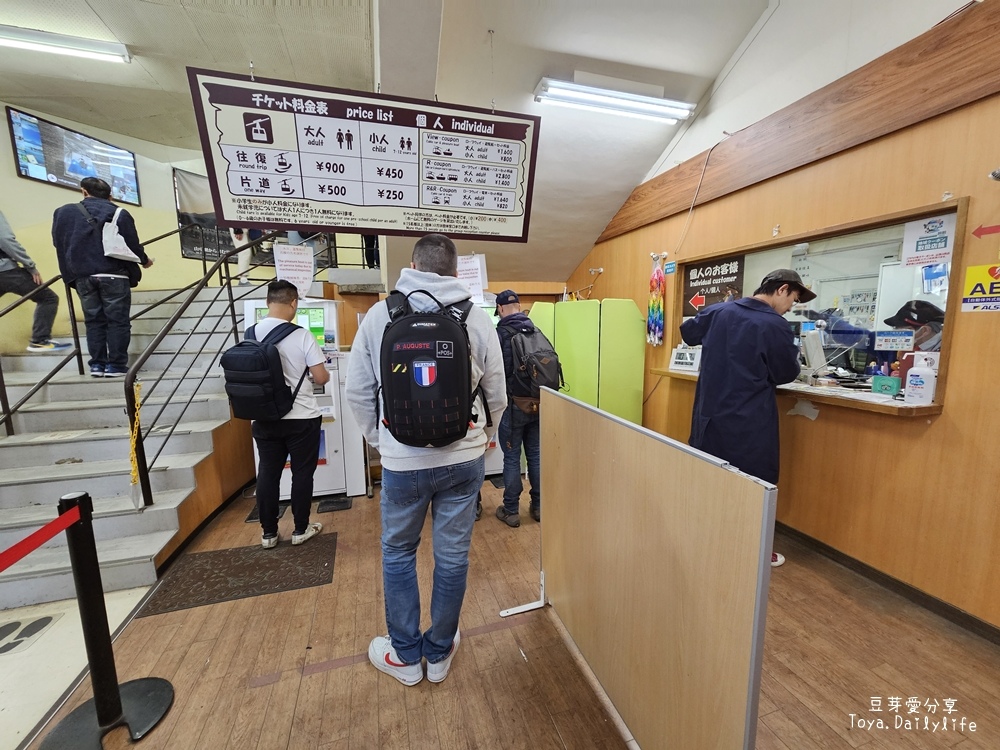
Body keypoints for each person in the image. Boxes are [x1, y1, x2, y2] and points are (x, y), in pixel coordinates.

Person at [345, 233, 506, 686]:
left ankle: (404, 655)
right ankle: (438, 654)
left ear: (412, 265)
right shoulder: (476, 318)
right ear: (455, 271)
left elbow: (357, 390)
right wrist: (484, 436)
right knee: (452, 557)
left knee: (398, 553)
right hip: (464, 458)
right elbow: (497, 390)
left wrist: (383, 441)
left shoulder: (381, 315)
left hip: (402, 462)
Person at [679, 269, 816, 568]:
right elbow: (785, 373)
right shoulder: (774, 326)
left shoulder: (718, 311)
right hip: (748, 421)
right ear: (782, 290)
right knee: (754, 486)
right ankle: (753, 551)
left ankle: (704, 540)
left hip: (708, 416)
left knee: (709, 477)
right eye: (793, 298)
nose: (791, 306)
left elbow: (687, 334)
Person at [250, 280, 329, 549]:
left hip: (263, 417)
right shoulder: (302, 335)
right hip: (301, 417)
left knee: (268, 473)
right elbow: (320, 376)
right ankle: (300, 529)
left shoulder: (250, 334)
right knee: (302, 473)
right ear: (294, 303)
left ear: (267, 302)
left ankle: (268, 533)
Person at [51, 177, 153, 377]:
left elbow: (58, 244)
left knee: (94, 321)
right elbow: (131, 243)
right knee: (118, 321)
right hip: (114, 273)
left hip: (83, 275)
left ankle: (97, 365)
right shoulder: (118, 212)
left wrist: (70, 273)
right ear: (110, 196)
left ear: (84, 192)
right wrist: (144, 260)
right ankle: (115, 366)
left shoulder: (63, 212)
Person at [493, 289, 541, 526]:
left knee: (512, 457)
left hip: (513, 407)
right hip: (538, 404)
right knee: (536, 455)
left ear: (500, 309)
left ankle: (511, 509)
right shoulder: (535, 329)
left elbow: (493, 374)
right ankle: (539, 506)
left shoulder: (500, 334)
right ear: (520, 306)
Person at [0, 210, 70, 352]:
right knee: (48, 298)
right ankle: (40, 340)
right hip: (6, 271)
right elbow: (5, 239)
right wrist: (29, 265)